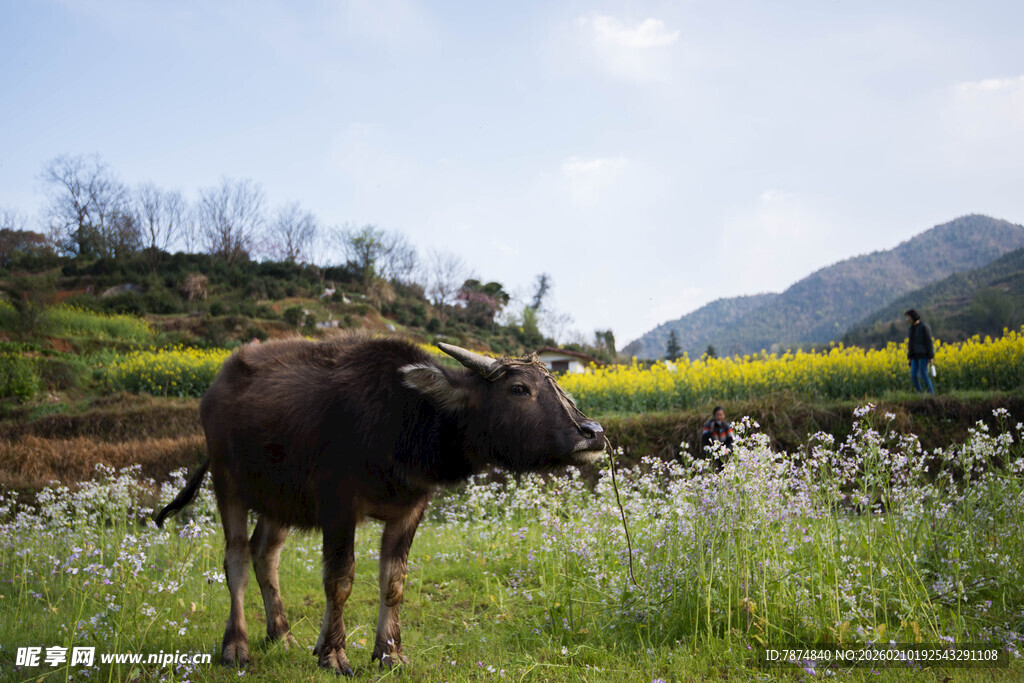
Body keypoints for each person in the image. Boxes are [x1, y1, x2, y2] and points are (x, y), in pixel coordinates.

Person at [905, 309, 935, 394]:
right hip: (914, 356)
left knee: (923, 375)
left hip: (923, 355)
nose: (907, 319)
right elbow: (910, 344)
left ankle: (931, 394)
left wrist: (931, 356)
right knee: (913, 376)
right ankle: (920, 394)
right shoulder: (911, 329)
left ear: (913, 317)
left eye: (908, 317)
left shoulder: (924, 327)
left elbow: (929, 342)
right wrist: (910, 357)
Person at [701, 406, 734, 470]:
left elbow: (731, 439)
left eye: (721, 415)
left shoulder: (726, 425)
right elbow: (704, 438)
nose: (719, 417)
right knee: (712, 467)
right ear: (714, 416)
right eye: (717, 415)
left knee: (724, 467)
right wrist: (711, 430)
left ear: (724, 415)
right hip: (712, 449)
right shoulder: (709, 424)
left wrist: (728, 449)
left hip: (724, 449)